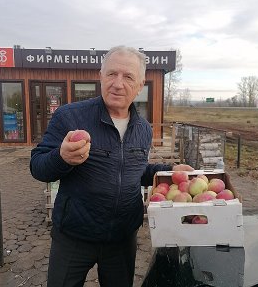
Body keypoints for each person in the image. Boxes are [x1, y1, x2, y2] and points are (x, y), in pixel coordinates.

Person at [30, 46, 194, 287]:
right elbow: (38, 166)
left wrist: (170, 172)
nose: (118, 84)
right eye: (112, 74)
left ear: (139, 86)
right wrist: (61, 157)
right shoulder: (70, 117)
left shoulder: (143, 129)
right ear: (101, 76)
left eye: (128, 77)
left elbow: (136, 172)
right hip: (74, 236)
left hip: (121, 238)